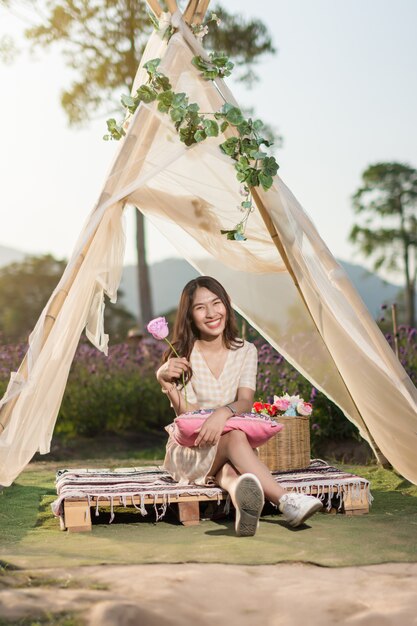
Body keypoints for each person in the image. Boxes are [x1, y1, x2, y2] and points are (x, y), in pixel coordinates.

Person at [156, 276, 323, 536]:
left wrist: (222, 414)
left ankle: (240, 495)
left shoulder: (246, 350)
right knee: (235, 438)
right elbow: (186, 416)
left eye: (216, 303)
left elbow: (245, 400)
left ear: (227, 305)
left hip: (231, 445)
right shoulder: (181, 355)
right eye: (201, 308)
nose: (211, 313)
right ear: (189, 315)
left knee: (231, 469)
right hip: (193, 447)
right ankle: (286, 500)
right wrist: (164, 380)